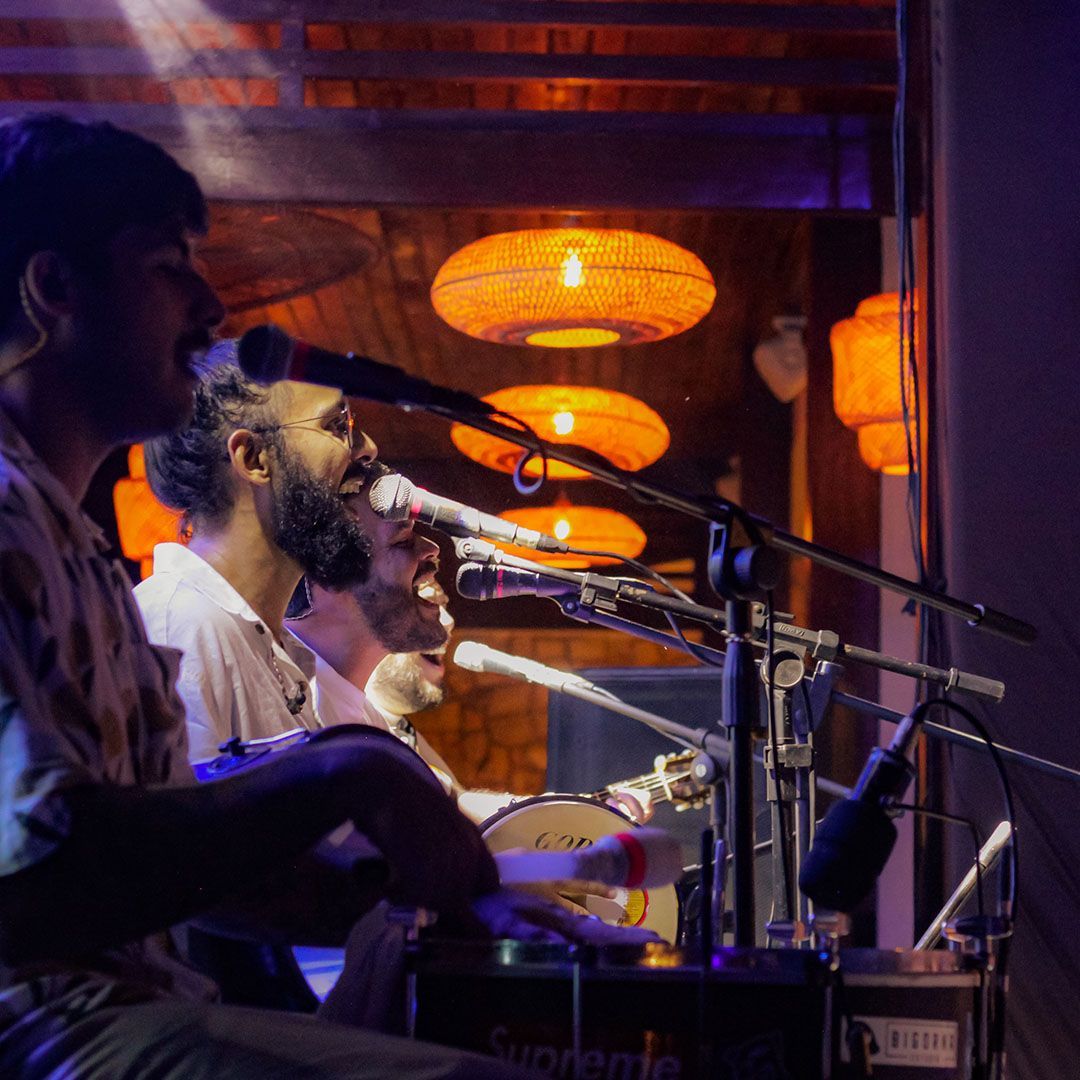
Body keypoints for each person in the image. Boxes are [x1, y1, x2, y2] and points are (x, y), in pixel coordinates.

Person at [0, 114, 612, 1079]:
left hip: (124, 1010)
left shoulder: (69, 542)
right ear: (53, 288)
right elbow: (40, 881)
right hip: (42, 1030)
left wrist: (441, 897)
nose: (208, 305)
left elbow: (167, 879)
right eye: (168, 264)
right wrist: (344, 772)